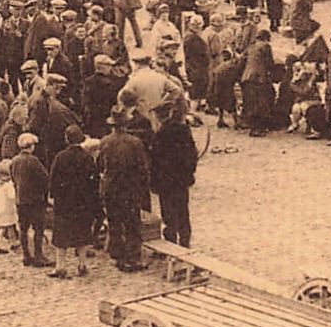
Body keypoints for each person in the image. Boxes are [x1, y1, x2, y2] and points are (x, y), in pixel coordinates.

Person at [99, 108, 150, 271]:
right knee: (132, 224)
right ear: (126, 124)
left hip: (111, 188)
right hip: (129, 189)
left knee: (114, 223)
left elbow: (100, 164)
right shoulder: (135, 143)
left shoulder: (105, 141)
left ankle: (117, 256)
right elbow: (143, 169)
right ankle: (133, 258)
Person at [48, 126, 99, 277]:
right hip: (82, 203)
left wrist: (54, 196)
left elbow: (53, 180)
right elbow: (94, 182)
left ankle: (60, 267)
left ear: (66, 139)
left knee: (61, 235)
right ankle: (82, 265)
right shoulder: (87, 158)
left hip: (64, 202)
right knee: (82, 233)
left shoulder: (60, 157)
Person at [153, 113, 198, 247]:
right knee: (183, 211)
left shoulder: (160, 134)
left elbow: (155, 160)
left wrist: (154, 182)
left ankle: (170, 242)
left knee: (168, 213)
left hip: (165, 181)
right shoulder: (184, 130)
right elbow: (192, 154)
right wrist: (189, 173)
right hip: (181, 180)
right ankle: (185, 241)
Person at [9, 132, 52, 267]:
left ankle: (26, 255)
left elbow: (13, 178)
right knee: (38, 228)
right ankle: (38, 255)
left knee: (23, 228)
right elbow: (45, 178)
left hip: (21, 199)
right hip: (35, 199)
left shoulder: (14, 161)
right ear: (31, 146)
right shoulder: (33, 161)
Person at [240, 28, 276, 137]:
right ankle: (257, 129)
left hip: (247, 76)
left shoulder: (251, 46)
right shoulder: (265, 46)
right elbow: (269, 62)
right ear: (266, 38)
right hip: (258, 78)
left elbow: (243, 59)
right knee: (260, 103)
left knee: (250, 103)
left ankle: (249, 125)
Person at [208, 47, 242, 129]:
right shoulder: (236, 64)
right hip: (224, 80)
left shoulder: (223, 65)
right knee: (230, 99)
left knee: (220, 99)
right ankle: (237, 122)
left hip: (217, 78)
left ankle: (221, 120)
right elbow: (237, 77)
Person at [0, 159, 19, 254]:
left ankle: (13, 242)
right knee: (3, 228)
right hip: (7, 210)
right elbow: (12, 196)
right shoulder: (8, 185)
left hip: (0, 209)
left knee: (9, 227)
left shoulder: (0, 183)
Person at [182, 16, 210, 108]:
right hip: (196, 67)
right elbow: (200, 54)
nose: (198, 27)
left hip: (194, 66)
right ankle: (193, 111)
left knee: (196, 90)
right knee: (195, 92)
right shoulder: (193, 38)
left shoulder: (190, 36)